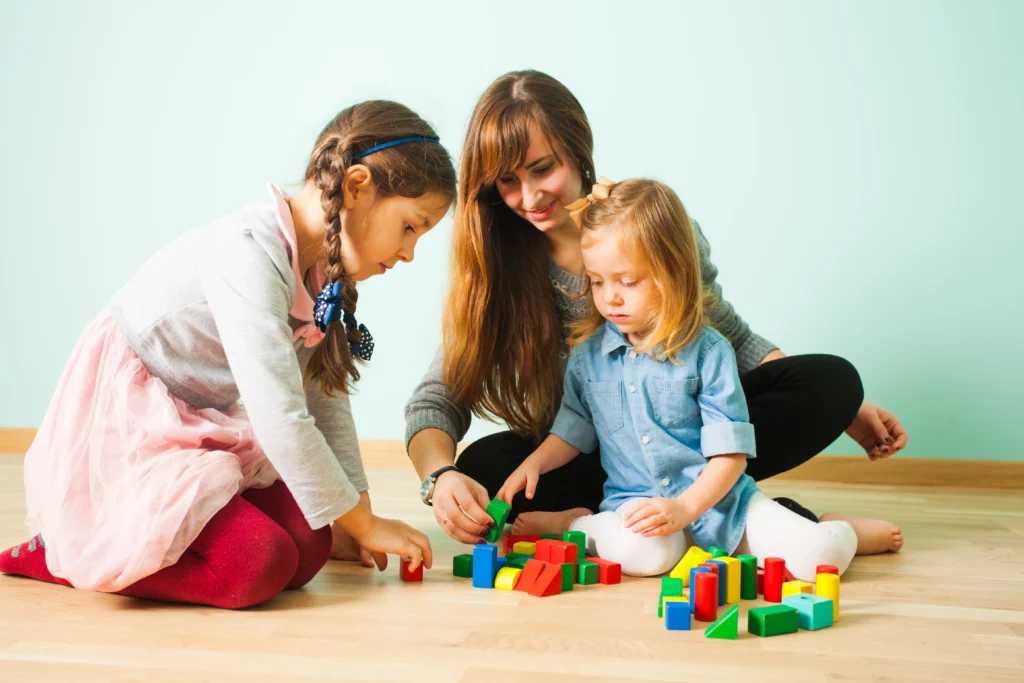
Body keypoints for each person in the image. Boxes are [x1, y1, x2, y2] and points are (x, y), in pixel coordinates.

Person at [406, 70, 908, 547]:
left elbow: (727, 333)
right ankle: (768, 524)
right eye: (507, 182)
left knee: (832, 380)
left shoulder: (652, 225)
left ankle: (692, 512)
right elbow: (437, 397)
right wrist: (439, 475)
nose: (529, 196)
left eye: (543, 169)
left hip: (687, 440)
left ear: (578, 152)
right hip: (590, 453)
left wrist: (847, 407)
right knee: (485, 466)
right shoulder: (496, 269)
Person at [0, 101, 455, 608]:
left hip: (190, 421)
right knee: (258, 564)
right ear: (356, 185)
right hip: (132, 420)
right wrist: (363, 521)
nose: (410, 253)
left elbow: (322, 393)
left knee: (310, 544)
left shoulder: (319, 273)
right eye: (411, 227)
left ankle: (149, 542)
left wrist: (356, 513)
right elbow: (282, 417)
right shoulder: (249, 254)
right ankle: (69, 555)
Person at [497, 178, 901, 579]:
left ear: (672, 272)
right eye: (598, 281)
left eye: (628, 281)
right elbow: (573, 429)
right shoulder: (588, 358)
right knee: (645, 557)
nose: (610, 297)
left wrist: (686, 509)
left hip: (723, 507)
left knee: (820, 557)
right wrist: (532, 464)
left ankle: (837, 527)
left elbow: (731, 454)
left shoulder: (708, 352)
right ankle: (577, 524)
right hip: (637, 509)